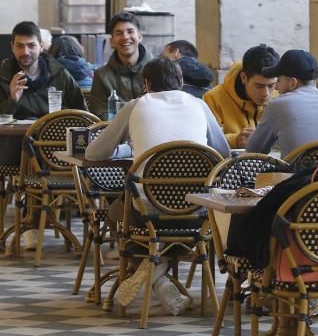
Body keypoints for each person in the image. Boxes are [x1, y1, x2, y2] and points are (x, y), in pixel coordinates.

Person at [85, 56, 229, 315]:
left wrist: (128, 148)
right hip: (197, 214)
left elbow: (94, 154)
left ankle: (154, 272)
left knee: (117, 212)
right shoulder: (199, 104)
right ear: (181, 82)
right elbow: (223, 153)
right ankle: (160, 273)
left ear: (147, 84)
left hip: (147, 216)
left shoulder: (135, 106)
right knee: (158, 221)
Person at [0, 20, 88, 250]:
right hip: (15, 152)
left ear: (41, 46)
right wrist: (11, 99)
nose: (25, 52)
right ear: (12, 47)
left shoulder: (60, 75)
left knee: (40, 152)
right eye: (20, 46)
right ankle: (32, 224)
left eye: (31, 45)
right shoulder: (2, 78)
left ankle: (37, 222)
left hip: (57, 151)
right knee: (31, 149)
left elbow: (82, 113)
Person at [244, 49, 318, 158]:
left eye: (279, 81)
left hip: (298, 175)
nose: (276, 87)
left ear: (293, 83)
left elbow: (253, 151)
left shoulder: (279, 105)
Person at [204, 44, 279, 149]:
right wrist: (235, 141)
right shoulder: (213, 99)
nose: (266, 93)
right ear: (244, 77)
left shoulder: (281, 97)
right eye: (259, 86)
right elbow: (205, 141)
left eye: (271, 86)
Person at [88, 11, 156, 120]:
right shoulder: (101, 75)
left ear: (140, 36)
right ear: (112, 41)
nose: (125, 37)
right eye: (119, 33)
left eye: (130, 31)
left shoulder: (158, 71)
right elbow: (99, 114)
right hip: (117, 134)